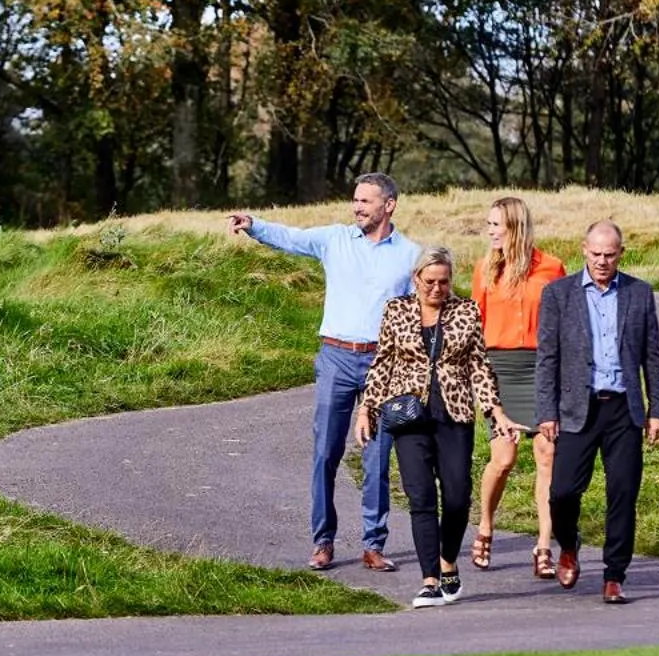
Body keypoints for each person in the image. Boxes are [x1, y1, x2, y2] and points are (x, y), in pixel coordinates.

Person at [228, 174, 422, 571]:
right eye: (355, 200)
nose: (358, 207)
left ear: (389, 205)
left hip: (383, 364)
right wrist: (254, 226)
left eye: (366, 201)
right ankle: (323, 542)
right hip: (336, 355)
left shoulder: (409, 255)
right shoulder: (334, 239)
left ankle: (373, 544)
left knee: (377, 457)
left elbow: (424, 306)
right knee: (325, 454)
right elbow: (293, 238)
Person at [357, 246, 523, 607]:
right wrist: (366, 408)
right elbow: (383, 361)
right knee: (421, 498)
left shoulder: (465, 311)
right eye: (430, 281)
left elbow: (479, 366)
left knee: (458, 497)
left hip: (454, 416)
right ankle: (430, 579)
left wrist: (495, 410)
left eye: (444, 282)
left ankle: (449, 562)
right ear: (416, 279)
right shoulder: (396, 310)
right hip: (408, 417)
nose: (437, 289)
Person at [534, 220, 659, 603]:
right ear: (583, 250)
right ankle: (569, 545)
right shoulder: (559, 294)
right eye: (596, 254)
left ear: (621, 253)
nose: (603, 261)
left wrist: (657, 408)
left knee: (623, 491)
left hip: (623, 409)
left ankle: (614, 574)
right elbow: (547, 357)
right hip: (578, 408)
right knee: (561, 492)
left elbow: (651, 355)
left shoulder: (639, 293)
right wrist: (547, 411)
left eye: (610, 255)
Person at [469, 197, 566, 580]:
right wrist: (483, 388)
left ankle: (544, 545)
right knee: (504, 458)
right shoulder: (484, 270)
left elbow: (563, 322)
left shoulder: (552, 267)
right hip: (501, 370)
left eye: (497, 225)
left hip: (541, 369)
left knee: (547, 455)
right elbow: (475, 331)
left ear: (516, 227)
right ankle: (486, 525)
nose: (491, 230)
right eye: (488, 224)